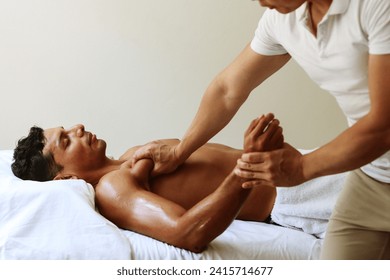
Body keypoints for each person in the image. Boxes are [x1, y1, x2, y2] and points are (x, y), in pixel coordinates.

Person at [132, 0, 390, 259]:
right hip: (373, 176)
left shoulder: (376, 6)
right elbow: (227, 90)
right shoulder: (280, 20)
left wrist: (301, 167)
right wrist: (180, 151)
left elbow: (384, 125)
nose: (261, 2)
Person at [11, 114, 283, 253]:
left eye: (67, 129)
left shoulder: (131, 156)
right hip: (286, 197)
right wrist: (246, 168)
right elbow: (188, 234)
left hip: (290, 168)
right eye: (66, 141)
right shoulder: (112, 189)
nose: (78, 127)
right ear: (68, 178)